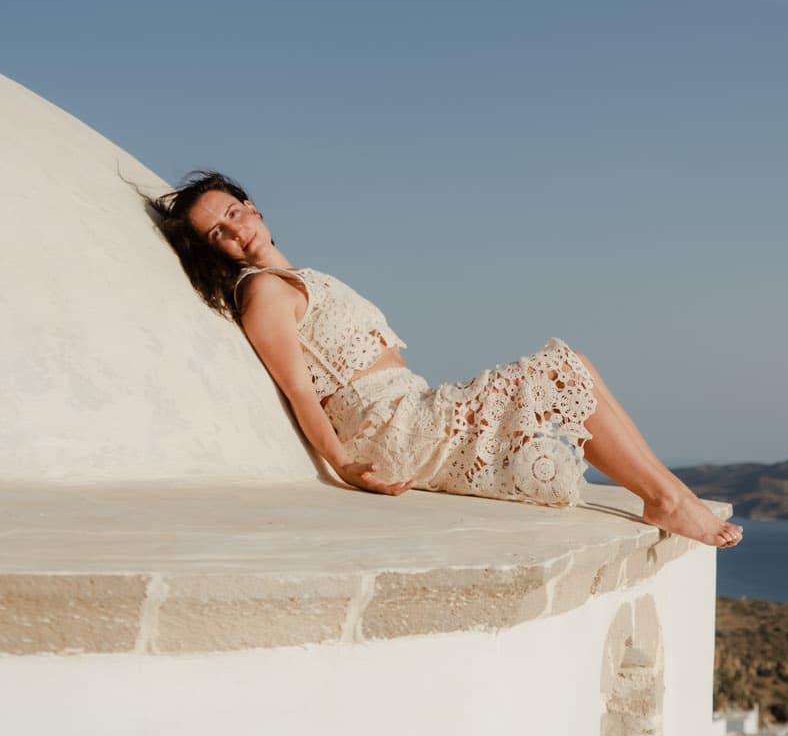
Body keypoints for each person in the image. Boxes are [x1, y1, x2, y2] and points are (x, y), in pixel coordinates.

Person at [148, 172, 740, 547]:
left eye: (232, 211)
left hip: (411, 407)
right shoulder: (262, 293)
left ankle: (669, 494)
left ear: (252, 205)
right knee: (557, 370)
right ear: (215, 252)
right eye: (215, 233)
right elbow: (300, 392)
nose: (232, 230)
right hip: (391, 429)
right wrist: (343, 467)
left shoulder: (294, 277)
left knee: (573, 363)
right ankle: (665, 500)